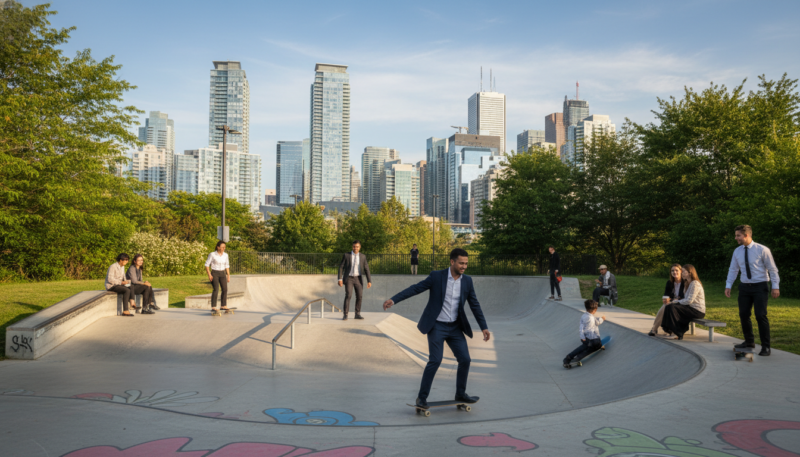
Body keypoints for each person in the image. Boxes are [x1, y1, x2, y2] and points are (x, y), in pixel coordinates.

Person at [382, 248, 490, 409]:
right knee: (435, 360)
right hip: (437, 326)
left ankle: (460, 394)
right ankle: (422, 398)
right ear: (452, 262)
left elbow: (474, 304)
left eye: (466, 263)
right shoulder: (436, 276)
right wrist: (394, 299)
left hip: (455, 327)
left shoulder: (467, 281)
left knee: (465, 359)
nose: (464, 266)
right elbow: (415, 288)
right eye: (461, 263)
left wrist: (484, 327)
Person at [725, 225, 780, 356]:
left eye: (738, 235)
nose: (735, 238)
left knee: (760, 315)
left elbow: (772, 269)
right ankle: (749, 341)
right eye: (736, 235)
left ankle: (766, 347)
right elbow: (733, 269)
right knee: (743, 314)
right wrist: (728, 285)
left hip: (760, 286)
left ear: (746, 235)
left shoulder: (762, 250)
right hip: (744, 287)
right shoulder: (737, 251)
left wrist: (775, 286)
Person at [661, 265, 705, 340]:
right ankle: (672, 331)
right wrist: (674, 301)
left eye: (684, 272)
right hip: (690, 308)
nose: (682, 273)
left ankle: (678, 333)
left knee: (672, 307)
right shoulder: (687, 283)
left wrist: (676, 302)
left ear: (689, 273)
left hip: (697, 310)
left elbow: (689, 300)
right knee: (669, 306)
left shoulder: (695, 283)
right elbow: (686, 299)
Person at [563, 299, 606, 367]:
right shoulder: (592, 318)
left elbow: (581, 328)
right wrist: (602, 318)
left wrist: (582, 337)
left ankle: (568, 357)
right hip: (595, 340)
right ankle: (578, 357)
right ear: (595, 310)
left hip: (585, 338)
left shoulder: (583, 316)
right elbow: (598, 323)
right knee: (596, 347)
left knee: (583, 347)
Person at [337, 240, 372, 320]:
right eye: (354, 246)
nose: (355, 248)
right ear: (352, 247)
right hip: (349, 278)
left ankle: (357, 314)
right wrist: (340, 278)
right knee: (348, 295)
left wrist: (369, 280)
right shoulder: (346, 255)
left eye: (357, 247)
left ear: (359, 247)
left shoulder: (363, 256)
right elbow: (341, 267)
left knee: (359, 296)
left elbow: (366, 268)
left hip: (358, 279)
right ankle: (345, 314)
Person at [648, 264, 685, 336]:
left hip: (682, 303)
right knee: (665, 305)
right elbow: (666, 294)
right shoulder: (670, 283)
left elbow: (684, 296)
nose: (674, 272)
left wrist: (675, 299)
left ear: (680, 271)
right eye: (672, 271)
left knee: (665, 306)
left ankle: (654, 329)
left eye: (676, 270)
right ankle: (655, 329)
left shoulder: (685, 282)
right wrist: (665, 298)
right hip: (672, 303)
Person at [205, 241, 230, 314]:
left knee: (225, 289)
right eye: (222, 247)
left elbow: (227, 265)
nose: (223, 248)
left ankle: (223, 305)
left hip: (222, 273)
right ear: (218, 247)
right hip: (214, 273)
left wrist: (228, 275)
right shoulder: (212, 254)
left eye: (224, 247)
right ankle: (213, 306)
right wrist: (209, 275)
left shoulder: (226, 255)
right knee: (216, 289)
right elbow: (207, 265)